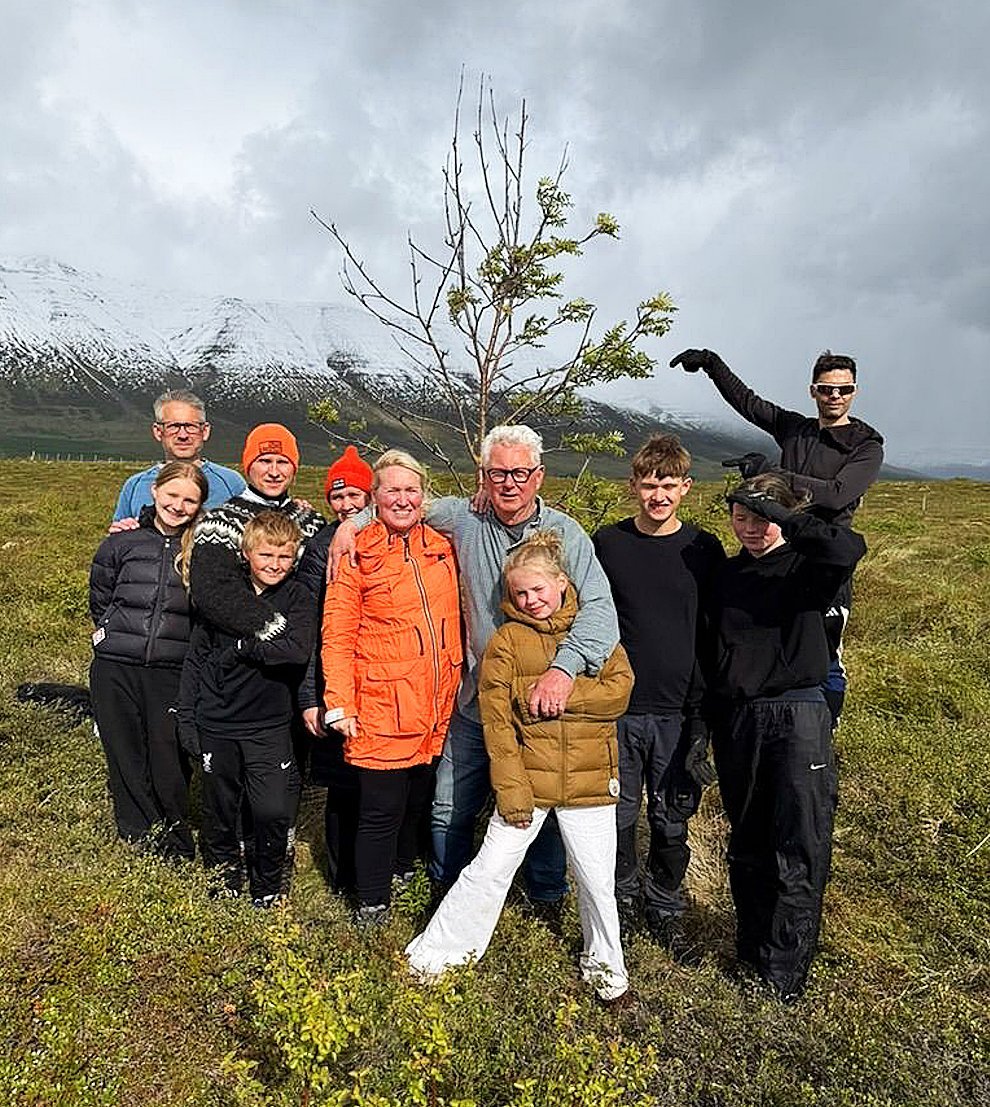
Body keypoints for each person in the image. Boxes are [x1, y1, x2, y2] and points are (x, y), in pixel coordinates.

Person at [331, 425, 620, 917]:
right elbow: (402, 503)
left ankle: (545, 897)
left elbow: (601, 612)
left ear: (539, 476)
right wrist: (349, 524)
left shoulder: (567, 534)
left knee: (545, 808)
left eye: (520, 473)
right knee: (449, 807)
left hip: (540, 703)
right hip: (473, 700)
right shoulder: (464, 518)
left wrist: (563, 670)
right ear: (483, 477)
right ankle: (450, 892)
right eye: (498, 473)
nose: (510, 484)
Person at [405, 532, 634, 1003]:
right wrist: (511, 789)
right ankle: (435, 958)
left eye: (539, 590)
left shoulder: (595, 632)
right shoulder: (507, 643)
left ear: (563, 583)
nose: (531, 601)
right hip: (527, 780)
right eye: (520, 594)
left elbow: (618, 694)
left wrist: (555, 695)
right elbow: (497, 725)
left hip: (591, 782)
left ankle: (608, 975)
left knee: (596, 883)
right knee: (489, 868)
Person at [709, 473, 866, 1002]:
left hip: (798, 715)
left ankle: (784, 972)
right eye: (742, 516)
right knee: (748, 840)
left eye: (762, 517)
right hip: (739, 718)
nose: (751, 528)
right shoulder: (727, 576)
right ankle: (751, 953)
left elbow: (848, 547)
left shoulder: (809, 569)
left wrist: (789, 517)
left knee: (797, 844)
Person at [669, 348, 884, 726]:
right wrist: (714, 366)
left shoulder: (866, 445)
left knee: (823, 644)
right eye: (826, 389)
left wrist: (776, 474)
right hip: (774, 547)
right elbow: (750, 404)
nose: (835, 396)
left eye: (843, 389)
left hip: (825, 560)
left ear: (854, 391)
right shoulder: (796, 428)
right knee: (763, 629)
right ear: (813, 391)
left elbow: (835, 493)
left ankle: (823, 724)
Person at [592, 434, 725, 951]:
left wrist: (707, 709)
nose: (658, 495)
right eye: (649, 485)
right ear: (633, 486)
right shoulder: (608, 543)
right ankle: (622, 897)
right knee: (618, 814)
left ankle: (664, 903)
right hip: (618, 708)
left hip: (680, 711)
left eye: (668, 485)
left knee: (672, 817)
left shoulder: (703, 548)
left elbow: (718, 627)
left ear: (686, 487)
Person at [321, 450, 462, 924]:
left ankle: (403, 868)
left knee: (418, 796)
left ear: (424, 495)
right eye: (392, 490)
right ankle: (371, 901)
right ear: (375, 497)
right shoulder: (356, 550)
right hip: (382, 698)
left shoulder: (443, 543)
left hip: (439, 698)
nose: (402, 499)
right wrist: (339, 701)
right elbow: (337, 633)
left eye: (411, 490)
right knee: (380, 807)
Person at [188, 423, 326, 888]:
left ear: (294, 467)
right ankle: (233, 853)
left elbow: (317, 581)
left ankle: (276, 850)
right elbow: (212, 591)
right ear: (248, 465)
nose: (273, 469)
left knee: (283, 776)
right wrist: (273, 629)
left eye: (282, 461)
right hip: (240, 676)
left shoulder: (310, 522)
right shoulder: (220, 519)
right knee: (230, 780)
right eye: (263, 461)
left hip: (291, 681)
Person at [177, 512, 316, 906]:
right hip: (216, 723)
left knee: (271, 811)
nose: (274, 565)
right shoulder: (225, 598)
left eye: (284, 557)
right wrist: (187, 717)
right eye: (266, 555)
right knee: (219, 810)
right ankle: (224, 881)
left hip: (269, 727)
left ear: (295, 557)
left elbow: (295, 649)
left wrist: (243, 648)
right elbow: (196, 660)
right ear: (246, 553)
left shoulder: (297, 597)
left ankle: (268, 885)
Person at [89, 460, 208, 860]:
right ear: (155, 492)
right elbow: (101, 594)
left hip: (172, 669)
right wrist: (108, 631)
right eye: (172, 495)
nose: (179, 505)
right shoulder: (121, 543)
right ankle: (137, 833)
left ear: (200, 506)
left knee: (169, 756)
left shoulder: (202, 551)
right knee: (124, 750)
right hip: (116, 666)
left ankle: (174, 834)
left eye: (190, 500)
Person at [295, 445, 374, 894]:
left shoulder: (392, 535)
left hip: (383, 681)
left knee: (386, 788)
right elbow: (308, 627)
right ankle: (343, 876)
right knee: (343, 788)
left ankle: (385, 870)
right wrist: (309, 695)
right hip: (334, 682)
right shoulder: (319, 547)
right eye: (338, 497)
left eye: (355, 495)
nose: (347, 505)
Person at [112, 389, 245, 524]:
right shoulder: (135, 485)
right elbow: (118, 539)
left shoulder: (231, 483)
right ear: (158, 432)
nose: (183, 435)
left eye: (191, 426)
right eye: (174, 426)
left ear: (205, 431)